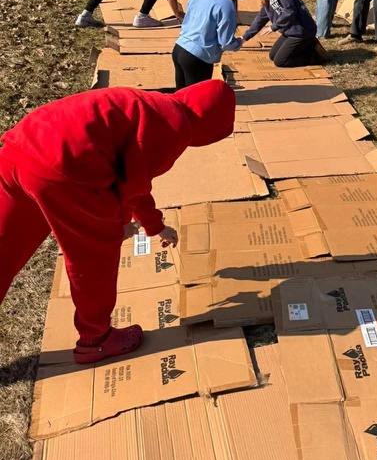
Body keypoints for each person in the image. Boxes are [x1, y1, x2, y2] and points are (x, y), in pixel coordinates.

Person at [0, 81, 235, 362]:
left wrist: (137, 222)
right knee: (94, 258)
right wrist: (138, 225)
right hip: (65, 170)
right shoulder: (176, 126)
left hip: (20, 149)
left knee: (6, 243)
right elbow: (134, 186)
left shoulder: (151, 101)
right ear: (209, 127)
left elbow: (122, 166)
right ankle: (95, 339)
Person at [172, 0, 241, 87]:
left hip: (179, 47)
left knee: (180, 99)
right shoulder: (226, 4)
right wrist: (239, 42)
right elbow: (225, 42)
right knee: (196, 102)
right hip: (198, 57)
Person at [243, 0, 321, 67]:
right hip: (290, 30)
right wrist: (245, 37)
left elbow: (290, 11)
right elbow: (262, 17)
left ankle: (314, 56)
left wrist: (273, 27)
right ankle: (305, 46)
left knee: (280, 61)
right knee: (272, 55)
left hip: (302, 30)